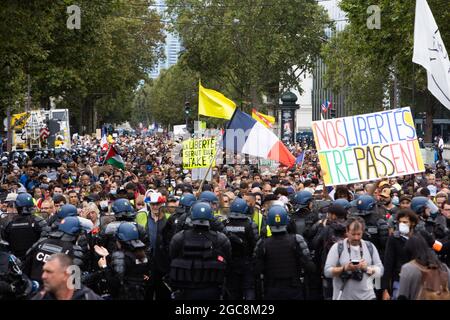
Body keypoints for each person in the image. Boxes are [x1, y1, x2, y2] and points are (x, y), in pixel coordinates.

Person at [169, 201, 231, 300]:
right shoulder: (221, 239)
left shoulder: (179, 238)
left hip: (186, 290)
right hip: (211, 291)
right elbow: (228, 260)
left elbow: (172, 256)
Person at [254, 205, 315, 300]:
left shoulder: (263, 243)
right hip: (293, 287)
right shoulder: (297, 240)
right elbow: (309, 266)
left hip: (272, 288)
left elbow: (257, 269)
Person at [324, 216, 384, 300]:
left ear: (363, 232)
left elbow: (380, 271)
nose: (356, 238)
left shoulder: (370, 246)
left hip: (368, 296)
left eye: (359, 234)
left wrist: (366, 268)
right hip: (343, 297)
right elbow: (327, 272)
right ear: (347, 231)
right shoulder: (337, 247)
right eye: (353, 234)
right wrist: (344, 268)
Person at [24, 216, 87, 284]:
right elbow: (76, 282)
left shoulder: (41, 242)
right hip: (56, 292)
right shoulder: (74, 250)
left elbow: (25, 266)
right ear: (76, 233)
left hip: (34, 290)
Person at [222, 198, 258, 300]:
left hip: (230, 262)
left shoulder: (225, 223)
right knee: (248, 289)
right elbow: (255, 244)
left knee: (232, 290)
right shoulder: (250, 224)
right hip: (246, 261)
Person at [398, 234, 450, 300]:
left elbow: (441, 248)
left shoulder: (408, 268)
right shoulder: (444, 268)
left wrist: (433, 242)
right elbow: (441, 248)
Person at [381, 209, 419, 300]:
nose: (402, 224)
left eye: (405, 222)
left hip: (417, 282)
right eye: (400, 222)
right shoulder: (394, 239)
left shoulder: (419, 238)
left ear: (412, 223)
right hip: (399, 281)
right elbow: (388, 263)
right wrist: (385, 289)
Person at [32, 253, 102, 300]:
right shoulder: (40, 297)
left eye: (49, 272)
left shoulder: (88, 297)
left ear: (66, 274)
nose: (43, 276)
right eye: (44, 271)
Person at [2, 193, 49, 260]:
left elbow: (5, 243)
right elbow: (46, 239)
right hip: (32, 259)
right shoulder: (38, 221)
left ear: (17, 206)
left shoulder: (9, 223)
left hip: (18, 260)